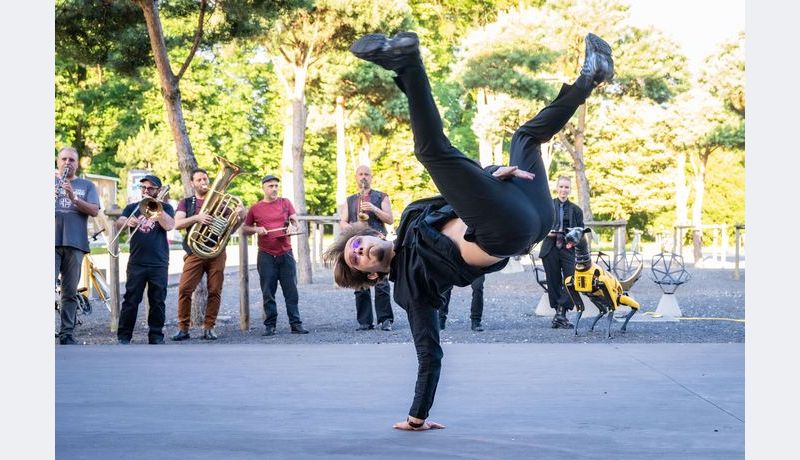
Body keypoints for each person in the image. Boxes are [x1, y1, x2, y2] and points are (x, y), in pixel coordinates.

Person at [323, 31, 613, 430]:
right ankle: (407, 62)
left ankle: (591, 76)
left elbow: (462, 191)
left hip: (527, 206)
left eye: (356, 244)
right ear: (371, 275)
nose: (359, 251)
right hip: (503, 234)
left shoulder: (409, 216)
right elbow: (429, 353)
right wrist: (417, 417)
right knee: (429, 151)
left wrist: (495, 173)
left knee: (525, 137)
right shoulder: (410, 291)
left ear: (369, 234)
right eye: (356, 261)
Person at [171, 168, 245, 341]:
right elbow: (177, 223)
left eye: (205, 179)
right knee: (184, 289)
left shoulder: (220, 202)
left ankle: (209, 328)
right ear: (192, 183)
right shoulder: (186, 203)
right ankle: (183, 328)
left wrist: (240, 217)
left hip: (216, 252)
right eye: (199, 180)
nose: (203, 182)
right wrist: (197, 218)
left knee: (215, 290)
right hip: (194, 252)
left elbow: (230, 229)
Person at [242, 174, 309, 336]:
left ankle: (296, 324)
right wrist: (256, 229)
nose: (274, 189)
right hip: (266, 255)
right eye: (270, 186)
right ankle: (270, 325)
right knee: (268, 292)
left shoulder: (285, 203)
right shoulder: (255, 208)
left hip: (285, 254)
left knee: (291, 291)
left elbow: (295, 221)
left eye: (276, 186)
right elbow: (245, 228)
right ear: (263, 188)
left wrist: (293, 227)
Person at [116, 175, 176, 344]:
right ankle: (124, 336)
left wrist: (157, 209)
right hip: (137, 261)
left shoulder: (166, 208)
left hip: (159, 262)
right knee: (131, 300)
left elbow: (170, 225)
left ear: (158, 190)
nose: (146, 191)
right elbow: (119, 222)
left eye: (150, 188)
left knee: (157, 300)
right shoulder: (132, 208)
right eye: (143, 188)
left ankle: (156, 336)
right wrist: (128, 221)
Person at [338, 165, 395, 331]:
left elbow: (390, 219)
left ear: (372, 177)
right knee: (359, 284)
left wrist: (374, 209)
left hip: (378, 245)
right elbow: (342, 221)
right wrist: (353, 229)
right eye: (361, 174)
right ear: (356, 177)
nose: (364, 177)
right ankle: (365, 321)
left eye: (367, 174)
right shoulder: (350, 200)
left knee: (382, 284)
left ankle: (385, 320)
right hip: (358, 247)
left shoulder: (381, 196)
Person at [55, 147, 101, 345]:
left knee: (69, 291)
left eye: (72, 160)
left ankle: (67, 333)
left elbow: (94, 211)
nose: (67, 162)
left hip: (75, 243)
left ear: (77, 163)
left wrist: (74, 198)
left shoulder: (86, 185)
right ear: (58, 161)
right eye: (64, 159)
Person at [539, 175, 585, 329]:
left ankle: (560, 312)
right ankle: (560, 315)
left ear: (570, 190)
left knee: (571, 280)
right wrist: (547, 233)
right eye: (561, 186)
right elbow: (539, 225)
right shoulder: (547, 206)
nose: (564, 190)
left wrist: (573, 240)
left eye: (567, 187)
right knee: (553, 282)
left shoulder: (576, 210)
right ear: (557, 188)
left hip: (568, 249)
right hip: (550, 248)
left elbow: (581, 230)